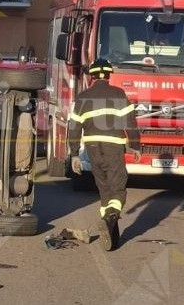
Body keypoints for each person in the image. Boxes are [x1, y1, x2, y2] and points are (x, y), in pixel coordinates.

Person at [67, 58, 142, 251]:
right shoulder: (119, 94)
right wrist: (134, 145)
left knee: (104, 188)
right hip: (114, 147)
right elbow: (131, 123)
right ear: (109, 75)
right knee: (118, 187)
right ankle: (110, 217)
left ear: (91, 76)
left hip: (92, 148)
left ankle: (112, 234)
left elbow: (74, 127)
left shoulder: (83, 97)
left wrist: (74, 154)